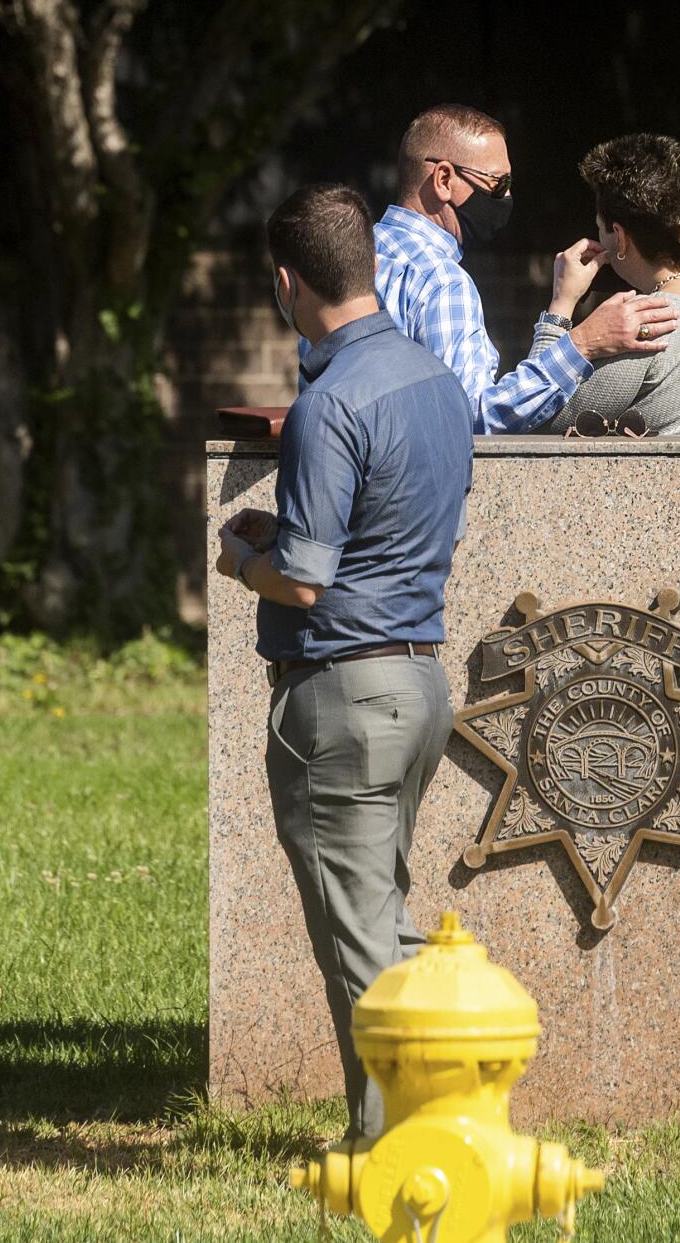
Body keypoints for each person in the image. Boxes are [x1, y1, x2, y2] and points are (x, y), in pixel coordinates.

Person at [214, 183, 470, 1140]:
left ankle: (395, 1143)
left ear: (286, 283)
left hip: (343, 693)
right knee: (384, 915)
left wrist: (244, 559)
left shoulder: (327, 405)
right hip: (419, 683)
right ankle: (434, 1112)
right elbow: (383, 531)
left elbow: (309, 584)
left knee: (359, 938)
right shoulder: (435, 380)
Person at [365, 103, 680, 432]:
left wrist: (560, 306)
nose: (507, 197)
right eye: (497, 184)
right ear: (444, 179)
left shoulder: (361, 253)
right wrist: (583, 343)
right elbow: (471, 420)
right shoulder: (442, 281)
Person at [539, 133, 680, 436]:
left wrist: (560, 306)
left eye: (600, 228)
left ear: (619, 237)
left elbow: (535, 417)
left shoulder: (644, 323)